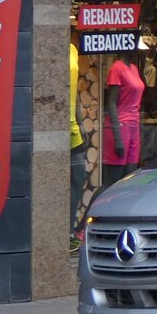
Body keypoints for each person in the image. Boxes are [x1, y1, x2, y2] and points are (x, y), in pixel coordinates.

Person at [101, 52, 145, 185]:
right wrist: (117, 138)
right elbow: (111, 102)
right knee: (112, 183)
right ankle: (96, 205)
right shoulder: (116, 68)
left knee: (129, 179)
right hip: (120, 125)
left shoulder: (134, 68)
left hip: (133, 125)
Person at [69, 40, 86, 252]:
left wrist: (81, 124)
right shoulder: (46, 43)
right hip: (55, 131)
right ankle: (66, 232)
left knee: (79, 177)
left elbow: (75, 94)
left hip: (73, 132)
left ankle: (71, 231)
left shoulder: (73, 49)